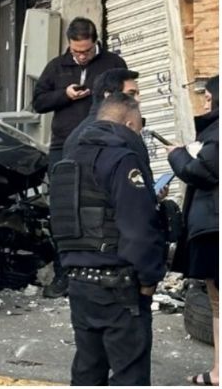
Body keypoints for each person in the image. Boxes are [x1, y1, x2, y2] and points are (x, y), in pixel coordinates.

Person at [50, 92, 166, 385]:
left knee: (88, 370)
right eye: (139, 127)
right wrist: (149, 279)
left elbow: (61, 222)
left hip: (79, 282)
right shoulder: (122, 158)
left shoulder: (68, 160)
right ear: (128, 122)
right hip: (120, 285)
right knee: (130, 374)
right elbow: (139, 228)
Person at [33, 18, 128, 298]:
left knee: (102, 206)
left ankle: (107, 267)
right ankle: (65, 274)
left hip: (103, 144)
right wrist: (65, 94)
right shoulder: (57, 66)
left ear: (95, 42)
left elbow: (127, 99)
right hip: (64, 146)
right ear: (69, 44)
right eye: (76, 51)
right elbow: (38, 102)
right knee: (64, 209)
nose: (81, 56)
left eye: (86, 51)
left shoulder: (113, 63)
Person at [167, 75, 219, 386]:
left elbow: (204, 172)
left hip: (215, 227)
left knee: (217, 301)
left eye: (210, 97)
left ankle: (219, 373)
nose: (206, 102)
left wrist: (178, 154)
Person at [62, 68, 140, 157]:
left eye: (138, 94)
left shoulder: (77, 134)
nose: (138, 100)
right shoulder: (119, 131)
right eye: (131, 94)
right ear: (109, 96)